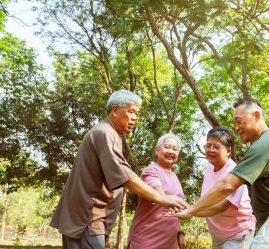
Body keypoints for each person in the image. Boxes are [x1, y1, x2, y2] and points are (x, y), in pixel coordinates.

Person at [50, 89, 187, 249]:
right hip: (87, 218)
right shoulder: (105, 133)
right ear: (115, 110)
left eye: (137, 113)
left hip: (89, 218)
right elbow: (123, 174)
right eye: (131, 112)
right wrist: (161, 198)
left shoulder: (109, 133)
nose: (135, 118)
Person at [171, 98, 269, 249]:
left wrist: (191, 210)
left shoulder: (263, 145)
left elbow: (228, 185)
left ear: (257, 116)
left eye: (239, 121)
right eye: (235, 123)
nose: (236, 128)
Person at [199, 127, 256, 249]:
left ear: (228, 150)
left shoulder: (235, 172)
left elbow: (223, 206)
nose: (210, 150)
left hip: (238, 234)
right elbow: (205, 199)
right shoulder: (209, 168)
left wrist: (191, 211)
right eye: (208, 145)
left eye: (216, 147)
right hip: (218, 236)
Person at [127, 133, 186, 249]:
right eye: (167, 147)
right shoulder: (151, 171)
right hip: (146, 239)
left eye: (175, 149)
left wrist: (180, 232)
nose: (171, 151)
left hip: (170, 241)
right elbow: (158, 193)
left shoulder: (174, 176)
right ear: (157, 150)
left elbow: (174, 211)